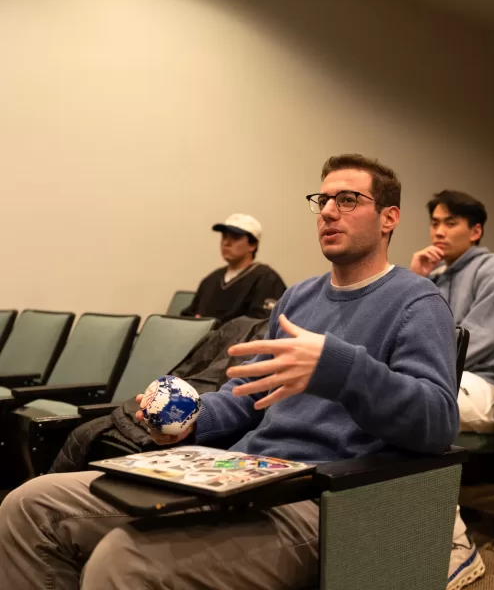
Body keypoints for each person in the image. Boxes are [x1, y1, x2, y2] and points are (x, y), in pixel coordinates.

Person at [0, 154, 461, 590]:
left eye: (347, 200)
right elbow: (245, 393)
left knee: (124, 557)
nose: (327, 212)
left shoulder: (416, 303)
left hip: (323, 496)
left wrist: (340, 368)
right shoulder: (300, 297)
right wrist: (195, 419)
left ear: (389, 218)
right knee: (29, 505)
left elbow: (438, 422)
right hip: (244, 475)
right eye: (322, 200)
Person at [410, 189, 494, 589]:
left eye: (451, 223)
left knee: (407, 405)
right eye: (434, 223)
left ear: (475, 230)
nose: (439, 231)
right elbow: (402, 331)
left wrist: (406, 368)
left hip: (488, 386)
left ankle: (454, 543)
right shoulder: (435, 275)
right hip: (445, 379)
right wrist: (416, 279)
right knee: (373, 397)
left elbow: (480, 340)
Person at [180, 213, 287, 323]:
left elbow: (262, 324)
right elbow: (189, 315)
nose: (226, 243)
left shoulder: (266, 279)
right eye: (224, 237)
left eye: (235, 237)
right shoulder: (211, 280)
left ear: (253, 245)